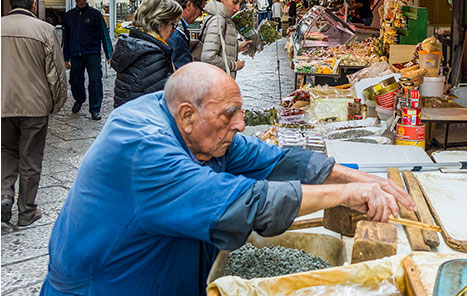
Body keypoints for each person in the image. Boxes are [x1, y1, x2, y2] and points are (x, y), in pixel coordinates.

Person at [41, 62, 416, 296]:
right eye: (230, 115)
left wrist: (357, 178)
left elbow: (269, 158)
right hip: (109, 286)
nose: (240, 124)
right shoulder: (144, 149)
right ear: (188, 115)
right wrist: (343, 196)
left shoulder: (192, 126)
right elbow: (243, 204)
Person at [1, 0, 67, 226]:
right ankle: (27, 211)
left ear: (10, 4)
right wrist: (56, 104)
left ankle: (4, 193)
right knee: (30, 158)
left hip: (3, 103)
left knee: (7, 151)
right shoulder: (45, 30)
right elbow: (57, 75)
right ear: (33, 4)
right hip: (35, 105)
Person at [110, 0, 182, 108]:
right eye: (173, 25)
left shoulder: (135, 47)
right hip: (142, 123)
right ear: (160, 25)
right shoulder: (152, 57)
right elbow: (163, 102)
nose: (174, 30)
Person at [63, 0, 113, 120]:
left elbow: (104, 35)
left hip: (92, 53)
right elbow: (65, 38)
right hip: (75, 54)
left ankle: (95, 109)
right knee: (75, 81)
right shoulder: (69, 16)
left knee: (95, 81)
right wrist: (65, 58)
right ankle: (79, 99)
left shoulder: (95, 15)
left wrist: (109, 54)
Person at [201, 0, 249, 79]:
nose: (237, 8)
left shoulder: (222, 19)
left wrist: (237, 48)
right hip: (216, 81)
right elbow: (208, 57)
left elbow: (217, 49)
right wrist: (234, 65)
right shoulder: (219, 20)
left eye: (240, 4)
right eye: (235, 2)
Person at [169, 0, 209, 68]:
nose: (201, 14)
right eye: (201, 9)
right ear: (189, 5)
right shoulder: (177, 33)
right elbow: (181, 71)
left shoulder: (176, 27)